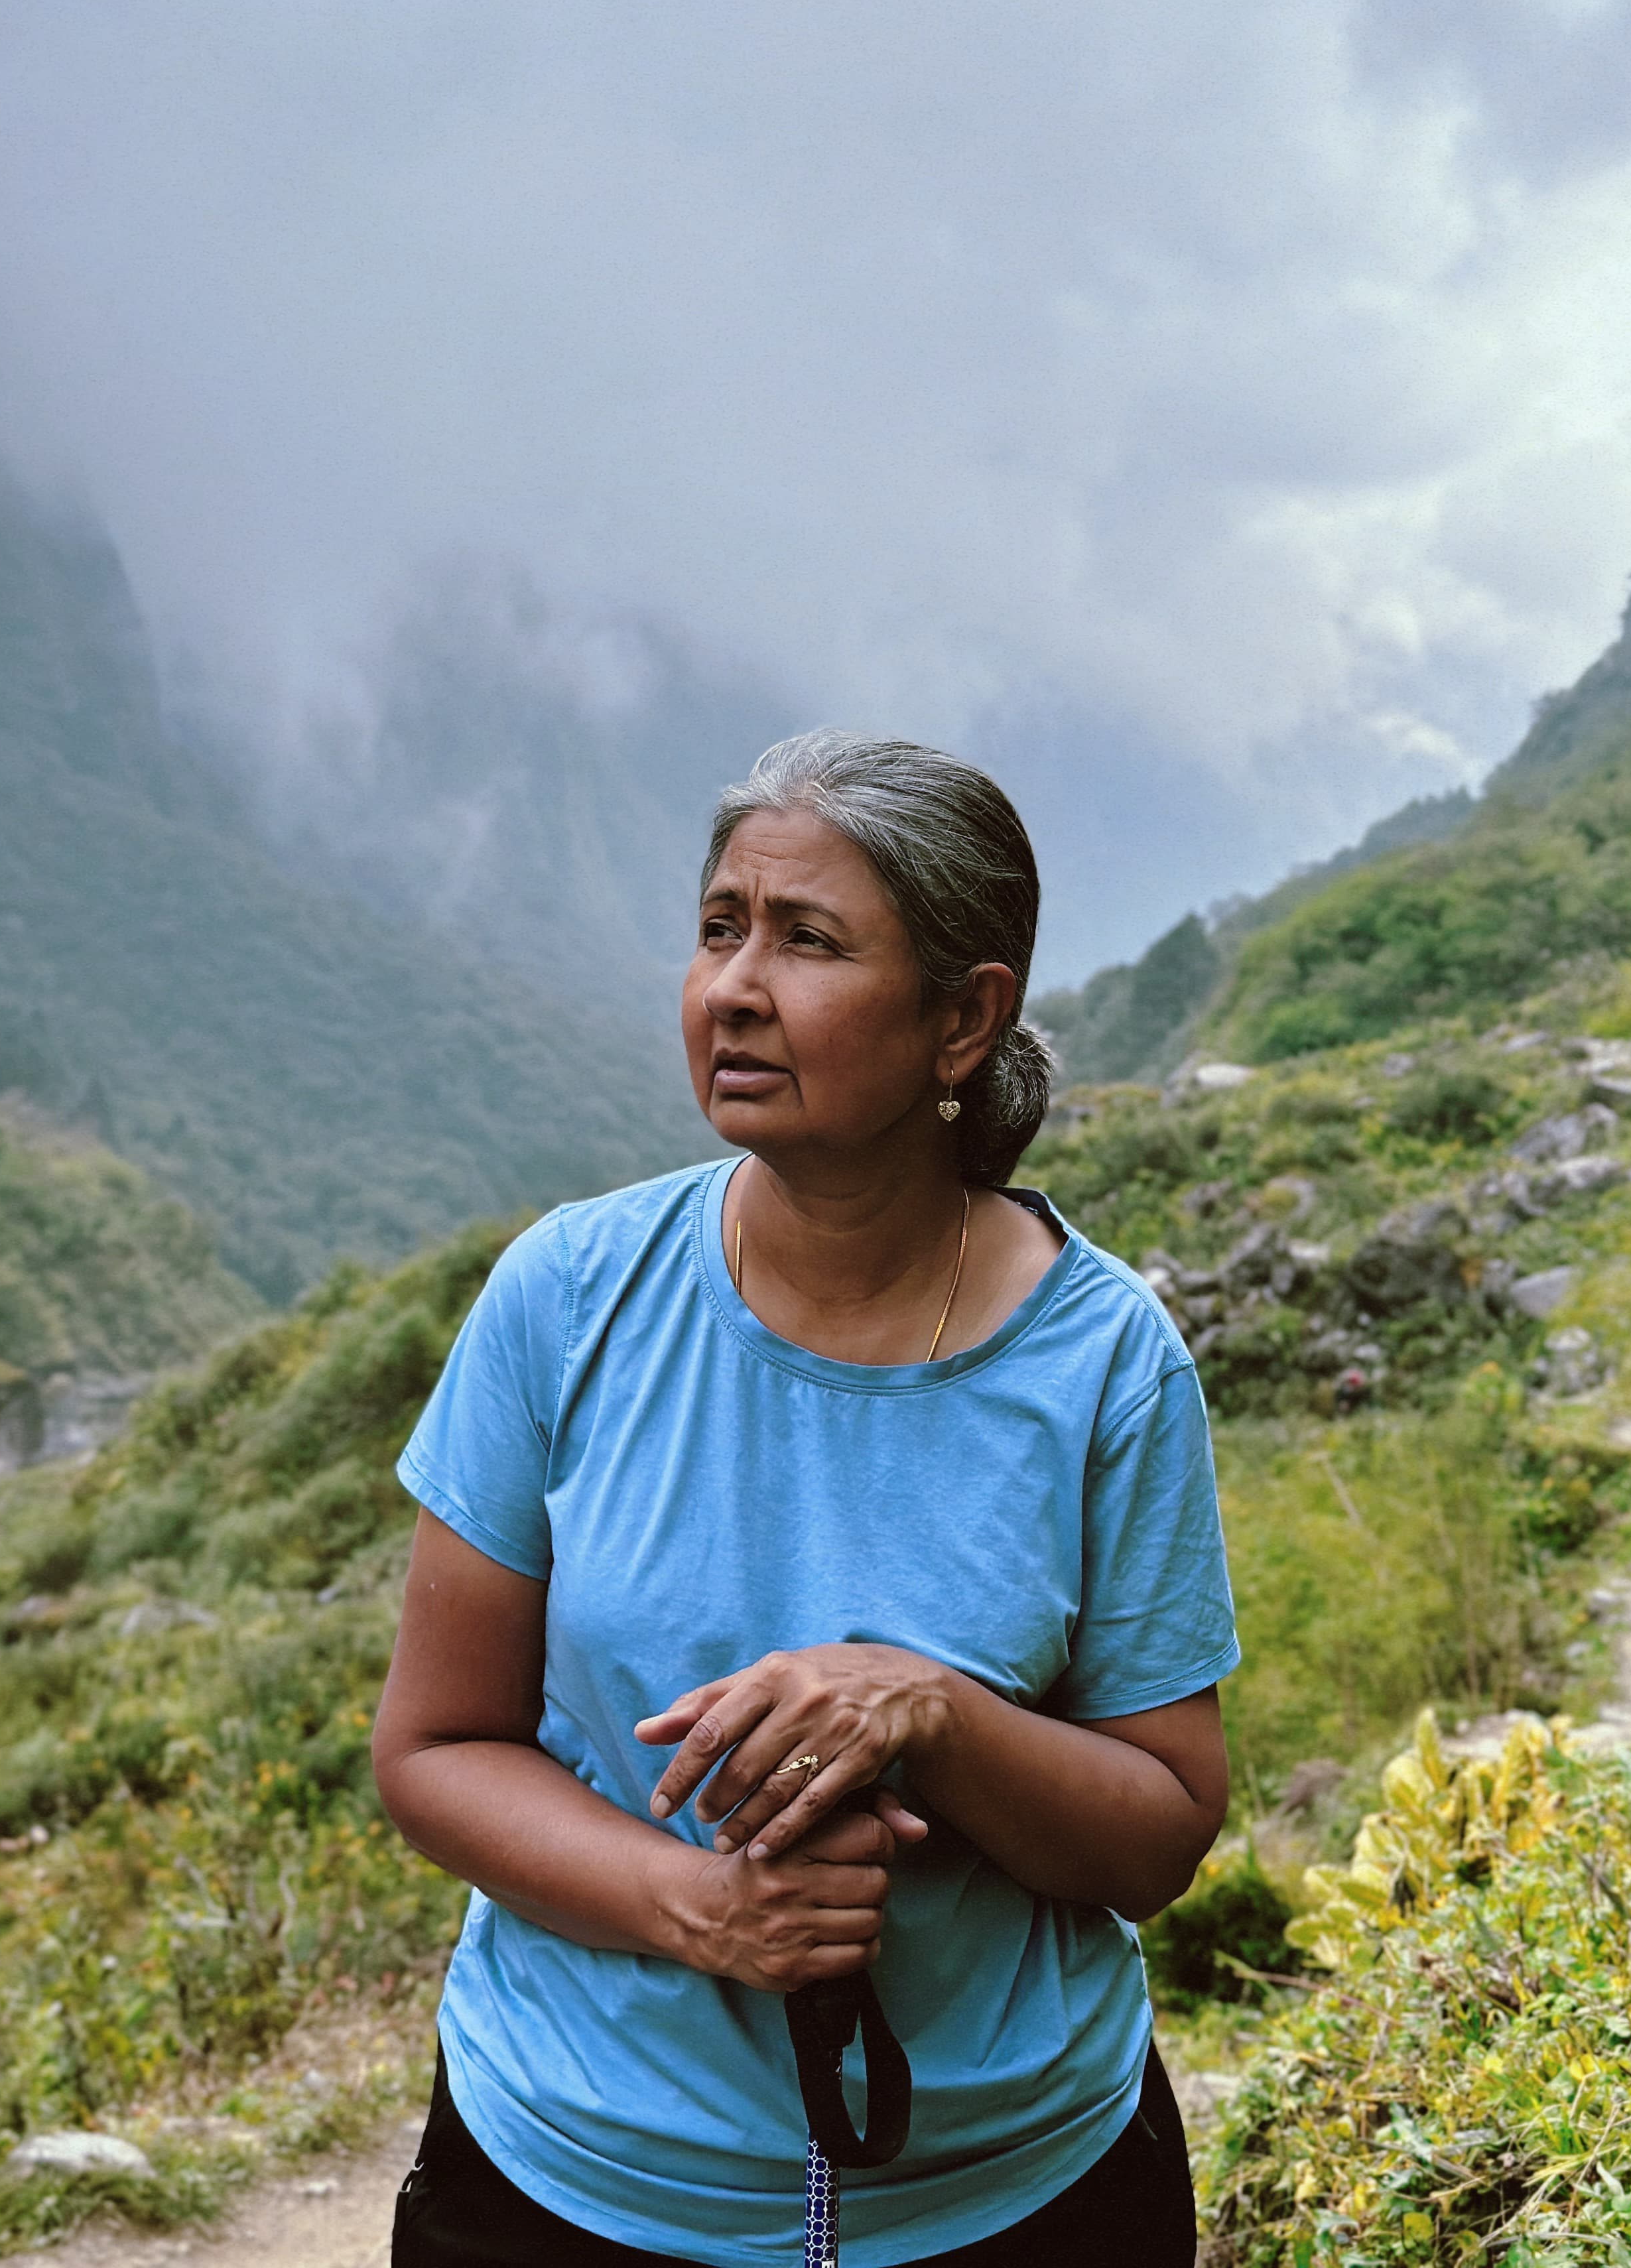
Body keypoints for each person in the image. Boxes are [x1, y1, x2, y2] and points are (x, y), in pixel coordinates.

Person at [373, 731, 1240, 2267]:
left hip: (1017, 2201)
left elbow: (1161, 1830)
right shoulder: (568, 1299)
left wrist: (935, 1714)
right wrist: (695, 1906)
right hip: (568, 2186)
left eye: (808, 941)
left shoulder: (1104, 1361)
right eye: (722, 929)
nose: (735, 990)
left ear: (963, 1019)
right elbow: (437, 1749)